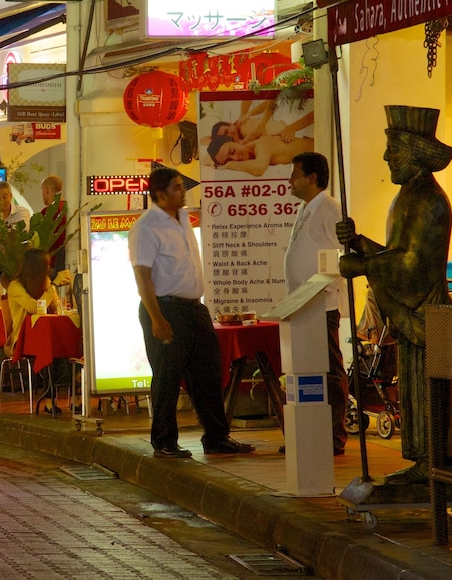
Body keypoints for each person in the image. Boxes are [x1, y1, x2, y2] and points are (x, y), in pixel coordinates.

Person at [336, 105, 452, 485]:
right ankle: (425, 461)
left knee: (430, 390)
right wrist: (360, 244)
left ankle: (434, 463)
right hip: (416, 313)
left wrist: (364, 265)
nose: (387, 157)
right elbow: (398, 253)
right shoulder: (409, 195)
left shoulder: (427, 199)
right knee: (417, 389)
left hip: (427, 310)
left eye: (394, 150)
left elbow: (413, 266)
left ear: (415, 153)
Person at [129, 166, 255, 458]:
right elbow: (142, 277)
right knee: (167, 376)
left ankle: (216, 436)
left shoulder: (183, 217)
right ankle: (163, 441)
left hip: (194, 309)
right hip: (165, 308)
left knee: (208, 374)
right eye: (176, 187)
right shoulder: (146, 227)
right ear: (160, 195)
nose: (183, 191)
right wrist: (157, 318)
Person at [282, 152, 349, 456]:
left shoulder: (330, 208)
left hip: (321, 306)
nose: (290, 181)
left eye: (295, 174)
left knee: (330, 372)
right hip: (304, 307)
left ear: (312, 178)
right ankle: (312, 434)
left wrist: (319, 290)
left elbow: (341, 258)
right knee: (310, 373)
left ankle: (334, 436)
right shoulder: (309, 207)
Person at [6, 248, 64, 415]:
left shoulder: (44, 282)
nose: (49, 269)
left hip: (46, 334)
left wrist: (53, 295)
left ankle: (76, 398)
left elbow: (55, 305)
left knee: (67, 349)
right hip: (24, 339)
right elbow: (34, 308)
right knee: (49, 351)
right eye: (45, 265)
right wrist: (52, 287)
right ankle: (48, 400)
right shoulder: (15, 286)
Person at [206, 134, 315, 176]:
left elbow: (258, 169)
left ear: (236, 140)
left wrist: (230, 165)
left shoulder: (261, 145)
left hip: (323, 148)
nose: (236, 158)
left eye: (232, 151)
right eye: (228, 160)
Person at [40, 175, 66, 273]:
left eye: (42, 192)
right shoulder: (70, 209)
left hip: (53, 265)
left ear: (46, 190)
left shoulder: (47, 213)